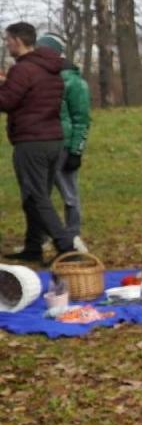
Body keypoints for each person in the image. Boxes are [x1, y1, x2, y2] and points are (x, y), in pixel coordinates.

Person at [0, 22, 78, 264]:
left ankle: (66, 247)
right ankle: (34, 247)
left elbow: (7, 102)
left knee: (37, 197)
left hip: (31, 141)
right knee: (35, 196)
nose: (6, 44)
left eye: (7, 39)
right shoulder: (49, 67)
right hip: (52, 139)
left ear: (17, 41)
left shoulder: (23, 70)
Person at [34, 34, 90, 252]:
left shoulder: (75, 83)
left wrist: (76, 151)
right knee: (39, 196)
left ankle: (73, 234)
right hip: (43, 144)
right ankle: (46, 236)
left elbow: (82, 119)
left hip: (65, 147)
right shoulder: (39, 79)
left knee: (69, 196)